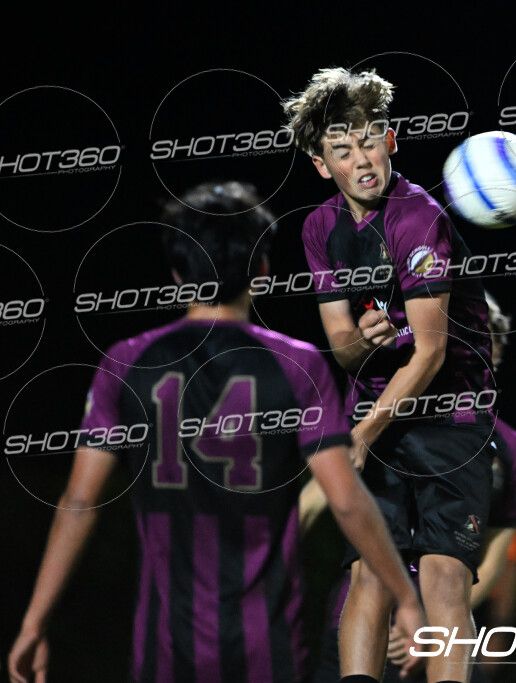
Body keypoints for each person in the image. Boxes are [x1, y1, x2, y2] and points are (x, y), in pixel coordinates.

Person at [6, 182, 423, 683]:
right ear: (262, 269)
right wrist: (405, 597)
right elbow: (347, 499)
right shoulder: (297, 364)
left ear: (178, 272)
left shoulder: (127, 361)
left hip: (166, 648)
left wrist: (34, 622)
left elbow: (78, 501)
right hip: (267, 647)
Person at [283, 67, 495, 683]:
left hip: (451, 414)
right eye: (342, 151)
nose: (362, 161)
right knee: (370, 572)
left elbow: (430, 353)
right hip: (377, 410)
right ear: (322, 165)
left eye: (370, 142)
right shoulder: (319, 229)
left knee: (443, 576)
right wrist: (363, 341)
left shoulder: (417, 218)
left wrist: (362, 435)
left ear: (391, 140)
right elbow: (342, 348)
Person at [301, 293, 516, 683]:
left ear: (495, 348)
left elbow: (498, 556)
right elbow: (314, 501)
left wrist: (427, 628)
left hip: (438, 631)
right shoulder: (378, 422)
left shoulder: (510, 446)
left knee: (449, 592)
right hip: (375, 627)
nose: (467, 344)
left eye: (481, 335)